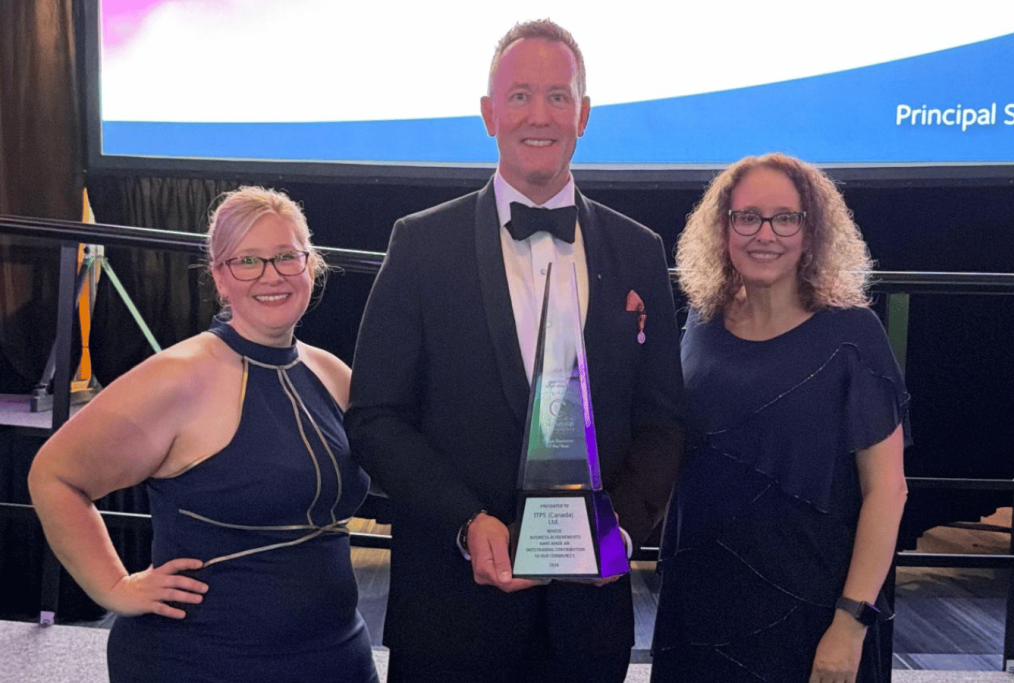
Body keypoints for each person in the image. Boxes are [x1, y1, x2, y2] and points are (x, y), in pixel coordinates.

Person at [346, 19, 685, 683]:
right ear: (488, 113)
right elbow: (375, 417)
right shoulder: (420, 244)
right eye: (520, 95)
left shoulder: (639, 250)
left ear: (583, 114)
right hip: (449, 615)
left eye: (558, 96)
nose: (539, 115)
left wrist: (616, 531)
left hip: (588, 622)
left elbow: (662, 420)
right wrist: (464, 520)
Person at [28, 186, 379, 683]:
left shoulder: (331, 373)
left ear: (311, 265)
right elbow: (54, 474)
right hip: (202, 660)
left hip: (337, 656)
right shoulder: (178, 376)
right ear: (219, 275)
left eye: (287, 256)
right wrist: (114, 587)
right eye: (247, 261)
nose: (271, 275)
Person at [650, 153, 910, 683]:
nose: (764, 234)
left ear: (811, 230)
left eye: (785, 218)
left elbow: (887, 490)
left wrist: (851, 622)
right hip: (698, 603)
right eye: (747, 217)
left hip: (813, 614)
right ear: (724, 227)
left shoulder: (853, 335)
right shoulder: (701, 323)